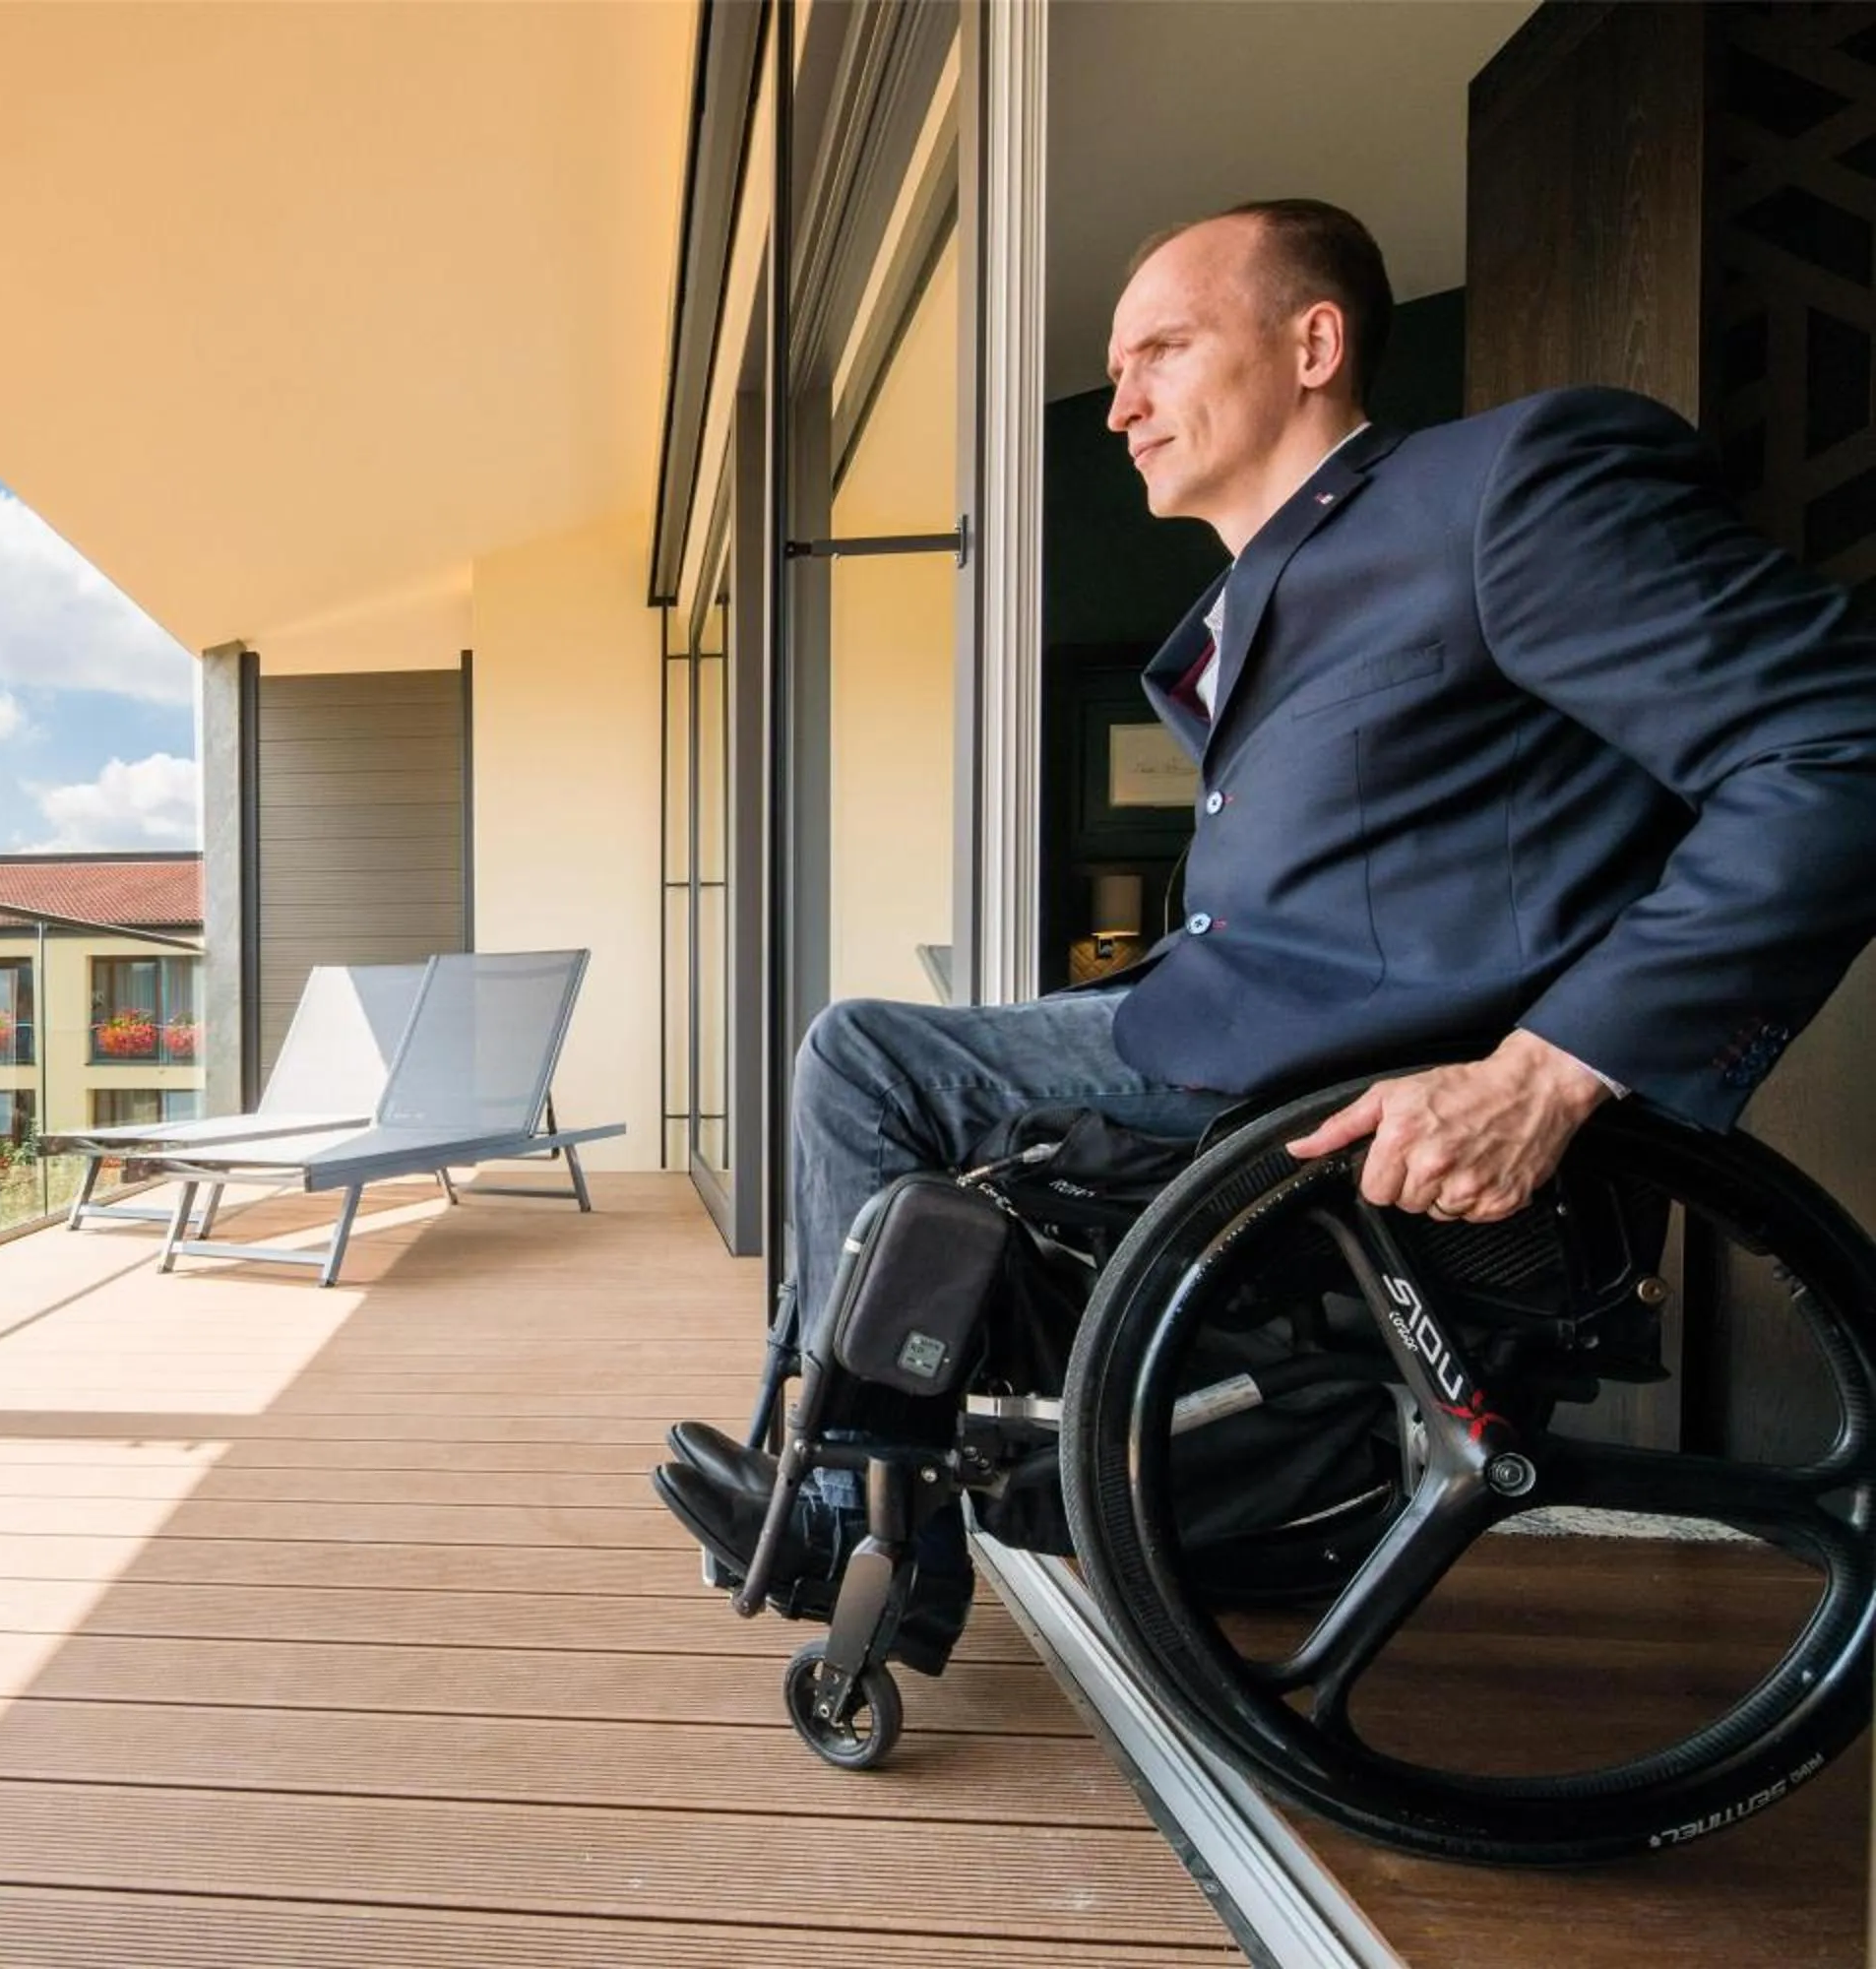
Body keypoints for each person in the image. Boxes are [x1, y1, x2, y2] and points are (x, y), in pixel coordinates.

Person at [655, 198, 1876, 1669]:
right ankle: (871, 1506)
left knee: (868, 1063)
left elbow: (1838, 746)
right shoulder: (1252, 606)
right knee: (889, 1074)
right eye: (1116, 370)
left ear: (1314, 343)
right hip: (1241, 1045)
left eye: (1162, 349)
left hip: (1331, 1086)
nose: (1120, 406)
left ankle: (863, 1527)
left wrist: (1554, 1070)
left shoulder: (1505, 489)